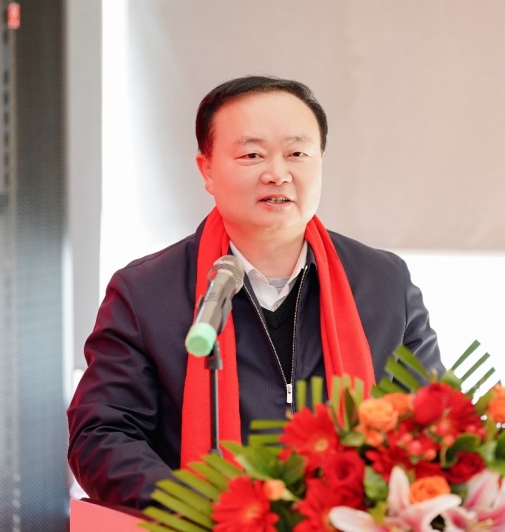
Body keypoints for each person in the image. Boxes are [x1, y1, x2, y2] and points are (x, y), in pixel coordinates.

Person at [67, 76, 444, 508]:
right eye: (252, 155)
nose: (277, 174)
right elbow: (101, 435)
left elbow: (433, 421)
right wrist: (197, 510)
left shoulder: (384, 283)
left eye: (297, 153)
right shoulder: (145, 292)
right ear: (207, 170)